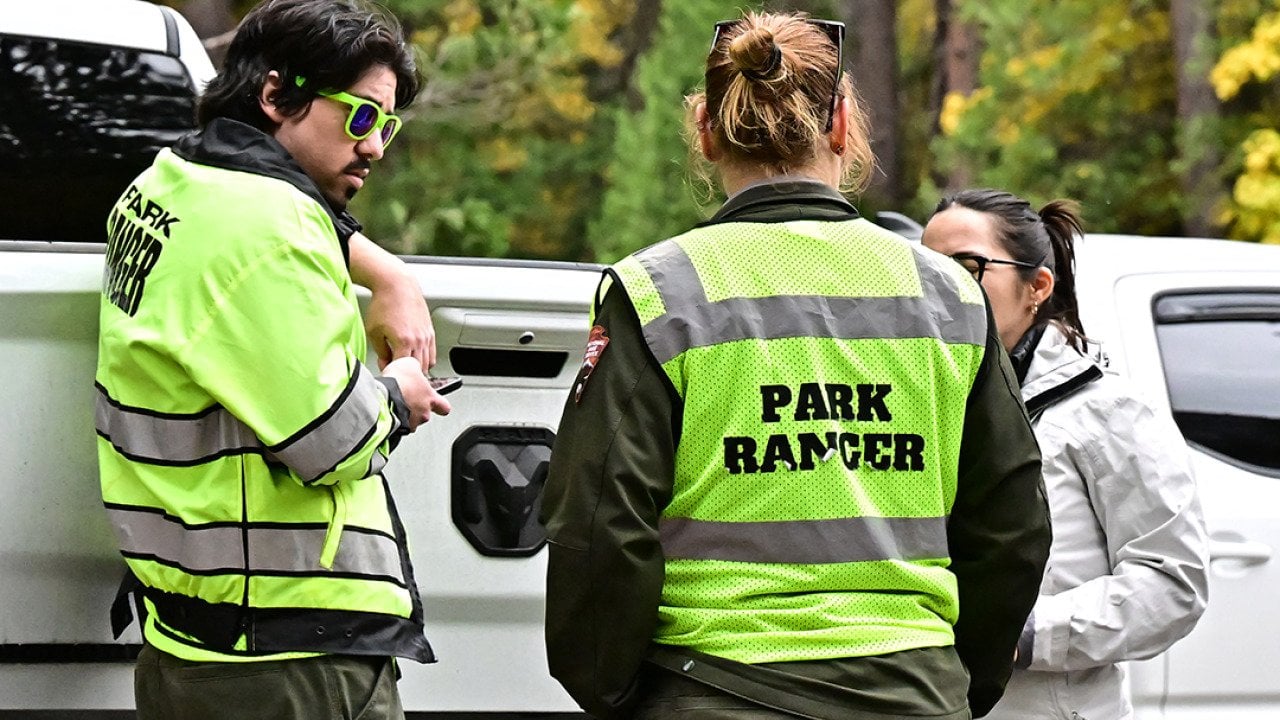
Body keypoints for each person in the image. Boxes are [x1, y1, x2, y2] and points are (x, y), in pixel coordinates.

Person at [542, 11, 1051, 720]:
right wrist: (950, 682)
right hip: (911, 692)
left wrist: (620, 692)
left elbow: (598, 521)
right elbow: (1013, 525)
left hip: (713, 688)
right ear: (842, 124)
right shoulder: (948, 295)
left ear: (706, 132)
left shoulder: (660, 292)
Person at [94, 1, 452, 717]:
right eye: (360, 117)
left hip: (190, 634)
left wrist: (390, 275)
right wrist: (398, 395)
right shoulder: (270, 228)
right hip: (289, 654)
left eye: (387, 125)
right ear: (276, 95)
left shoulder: (163, 185)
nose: (377, 145)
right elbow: (331, 439)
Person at [922, 189, 1210, 720]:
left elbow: (1173, 583)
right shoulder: (914, 405)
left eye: (966, 267)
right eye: (924, 270)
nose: (938, 289)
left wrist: (1020, 635)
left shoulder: (1108, 411)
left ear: (1037, 287)